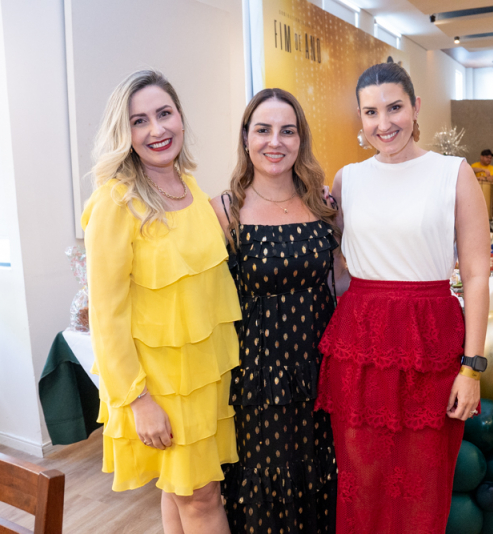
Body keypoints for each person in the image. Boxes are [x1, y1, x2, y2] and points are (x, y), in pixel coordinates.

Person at [316, 61, 490, 533]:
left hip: (429, 345)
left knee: (423, 483)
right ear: (359, 117)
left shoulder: (453, 173)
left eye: (394, 108)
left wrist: (472, 368)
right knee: (361, 480)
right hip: (361, 345)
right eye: (371, 112)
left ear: (415, 107)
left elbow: (477, 274)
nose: (384, 123)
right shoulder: (347, 179)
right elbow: (335, 264)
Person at [82, 69, 239, 534]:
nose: (157, 130)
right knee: (202, 498)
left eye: (164, 113)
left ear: (180, 117)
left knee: (181, 490)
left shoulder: (189, 188)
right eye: (140, 121)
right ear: (124, 134)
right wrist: (139, 401)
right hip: (159, 385)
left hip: (203, 375)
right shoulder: (116, 202)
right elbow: (106, 316)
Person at [210, 89, 338, 534]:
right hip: (258, 378)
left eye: (288, 131)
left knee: (319, 475)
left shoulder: (322, 204)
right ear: (246, 137)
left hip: (318, 370)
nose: (275, 142)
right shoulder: (224, 210)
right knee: (267, 483)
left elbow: (341, 281)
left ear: (301, 139)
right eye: (263, 130)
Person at [472, 149, 493, 213]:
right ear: (481, 157)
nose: (489, 159)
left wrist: (483, 178)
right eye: (487, 157)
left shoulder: (492, 168)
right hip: (476, 191)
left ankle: (490, 215)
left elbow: (491, 178)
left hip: (488, 190)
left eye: (490, 158)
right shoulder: (474, 165)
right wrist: (483, 170)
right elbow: (471, 170)